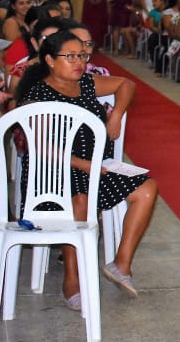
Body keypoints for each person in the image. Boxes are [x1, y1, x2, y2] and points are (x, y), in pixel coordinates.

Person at [16, 30, 159, 306]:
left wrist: (116, 115)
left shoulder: (87, 82)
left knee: (147, 188)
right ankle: (73, 278)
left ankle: (121, 263)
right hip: (54, 173)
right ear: (50, 60)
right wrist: (84, 165)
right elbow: (41, 147)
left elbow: (126, 84)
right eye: (70, 57)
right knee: (79, 199)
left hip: (97, 169)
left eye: (82, 55)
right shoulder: (38, 94)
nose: (79, 62)